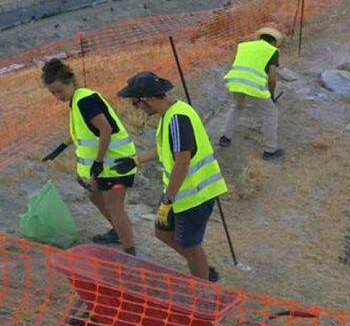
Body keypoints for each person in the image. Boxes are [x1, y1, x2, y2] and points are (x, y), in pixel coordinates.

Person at [118, 72, 227, 281]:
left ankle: (202, 288)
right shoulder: (169, 116)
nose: (135, 108)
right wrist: (136, 160)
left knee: (190, 245)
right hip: (179, 193)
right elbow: (164, 149)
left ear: (148, 99)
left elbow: (182, 161)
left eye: (135, 103)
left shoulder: (177, 119)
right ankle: (200, 265)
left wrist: (168, 198)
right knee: (162, 232)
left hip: (194, 195)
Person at [41, 59, 139, 255]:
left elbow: (106, 129)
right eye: (53, 92)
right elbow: (84, 130)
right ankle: (118, 232)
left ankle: (130, 252)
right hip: (108, 165)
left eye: (59, 90)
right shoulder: (78, 100)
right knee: (95, 196)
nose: (57, 96)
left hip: (116, 164)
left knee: (114, 206)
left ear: (71, 82)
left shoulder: (84, 100)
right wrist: (61, 147)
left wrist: (98, 162)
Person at [219, 25, 284, 160]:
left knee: (237, 106)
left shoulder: (244, 46)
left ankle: (225, 138)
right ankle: (269, 150)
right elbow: (272, 77)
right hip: (253, 85)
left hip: (234, 80)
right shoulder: (272, 50)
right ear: (273, 42)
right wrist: (271, 95)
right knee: (271, 114)